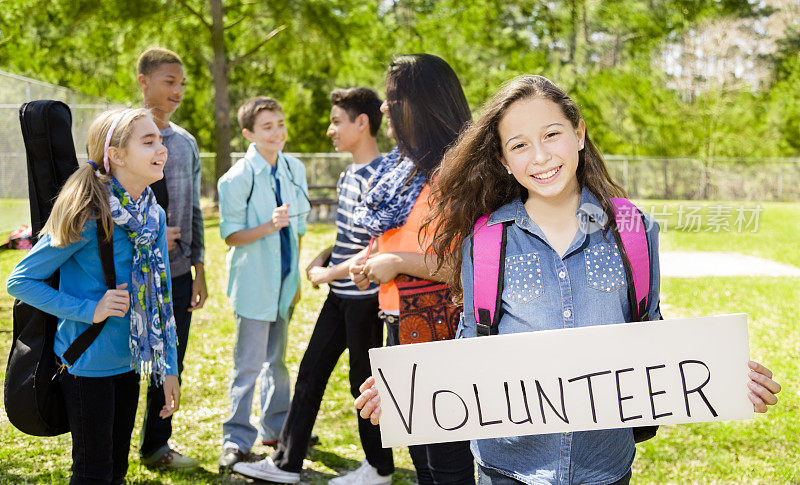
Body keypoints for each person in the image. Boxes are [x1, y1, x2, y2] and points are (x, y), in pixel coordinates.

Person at [356, 74, 782, 485]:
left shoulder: (634, 230)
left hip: (605, 466)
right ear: (504, 161)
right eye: (519, 145)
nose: (540, 156)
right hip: (507, 468)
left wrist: (724, 374)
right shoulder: (486, 241)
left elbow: (649, 331)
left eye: (552, 134)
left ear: (579, 133)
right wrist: (406, 389)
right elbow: (473, 343)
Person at [6, 108, 180, 485]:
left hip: (130, 361)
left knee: (117, 469)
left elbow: (162, 296)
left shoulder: (153, 215)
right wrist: (91, 309)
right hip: (86, 364)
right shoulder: (88, 211)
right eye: (148, 141)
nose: (161, 149)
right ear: (115, 155)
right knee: (92, 471)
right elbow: (20, 280)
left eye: (160, 140)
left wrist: (169, 369)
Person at [234, 87, 394, 484]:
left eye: (337, 121)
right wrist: (326, 254)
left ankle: (379, 468)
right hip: (340, 298)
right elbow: (353, 238)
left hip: (364, 301)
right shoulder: (348, 174)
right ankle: (286, 463)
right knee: (309, 373)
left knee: (364, 383)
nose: (330, 130)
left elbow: (377, 249)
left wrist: (327, 274)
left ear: (362, 123)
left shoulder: (382, 175)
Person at [348, 54, 476, 485]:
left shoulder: (459, 171)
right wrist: (373, 262)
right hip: (398, 323)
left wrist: (398, 262)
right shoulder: (406, 169)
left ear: (421, 103)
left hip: (441, 329)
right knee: (423, 459)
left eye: (392, 98)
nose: (383, 108)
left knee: (447, 462)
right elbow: (403, 238)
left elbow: (471, 263)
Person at [217, 96, 310, 472]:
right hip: (254, 284)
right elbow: (230, 236)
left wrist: (297, 278)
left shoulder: (294, 168)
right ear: (248, 134)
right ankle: (236, 440)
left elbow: (299, 229)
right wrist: (269, 226)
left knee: (278, 363)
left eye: (281, 123)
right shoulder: (235, 179)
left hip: (285, 282)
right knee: (248, 366)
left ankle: (276, 430)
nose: (277, 132)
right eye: (267, 127)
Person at [136, 47, 206, 470]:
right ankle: (106, 449)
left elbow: (194, 208)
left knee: (169, 361)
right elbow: (102, 205)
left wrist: (198, 267)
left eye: (182, 82)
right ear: (143, 81)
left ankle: (156, 447)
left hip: (177, 273)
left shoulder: (186, 143)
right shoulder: (118, 135)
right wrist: (150, 233)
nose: (178, 90)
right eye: (169, 81)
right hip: (127, 276)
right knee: (127, 366)